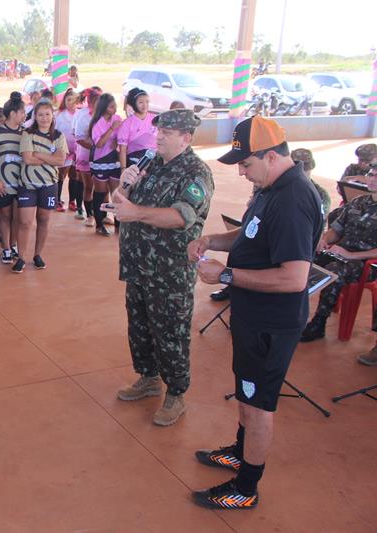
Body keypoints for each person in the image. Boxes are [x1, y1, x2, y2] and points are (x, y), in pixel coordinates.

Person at [189, 115, 322, 509]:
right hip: (253, 315)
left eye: (246, 164)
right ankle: (240, 450)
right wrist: (213, 239)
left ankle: (246, 487)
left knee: (259, 403)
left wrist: (226, 274)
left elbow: (294, 278)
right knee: (246, 393)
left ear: (269, 156)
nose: (243, 173)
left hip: (271, 322)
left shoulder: (294, 198)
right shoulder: (271, 186)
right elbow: (249, 233)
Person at [111, 109, 213, 426]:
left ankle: (175, 394)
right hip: (139, 265)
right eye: (159, 131)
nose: (160, 137)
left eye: (167, 133)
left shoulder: (196, 174)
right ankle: (149, 377)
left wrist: (135, 213)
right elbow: (120, 203)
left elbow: (182, 217)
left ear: (186, 137)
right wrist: (124, 186)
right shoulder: (150, 163)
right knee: (139, 327)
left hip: (169, 272)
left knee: (170, 333)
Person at [298, 162, 377, 343]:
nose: (372, 180)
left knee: (333, 271)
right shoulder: (359, 201)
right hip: (341, 252)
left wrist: (351, 255)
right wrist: (325, 240)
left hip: (366, 262)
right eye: (371, 175)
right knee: (303, 257)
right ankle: (290, 310)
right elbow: (337, 229)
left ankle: (319, 323)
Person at [15, 99, 67, 273]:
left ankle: (37, 255)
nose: (44, 118)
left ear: (52, 116)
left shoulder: (59, 136)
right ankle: (21, 257)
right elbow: (27, 159)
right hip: (27, 184)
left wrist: (38, 153)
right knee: (25, 222)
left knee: (44, 220)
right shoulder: (27, 134)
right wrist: (48, 158)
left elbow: (61, 160)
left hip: (49, 185)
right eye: (40, 114)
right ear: (35, 116)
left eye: (47, 114)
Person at [0, 96, 26, 264]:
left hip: (21, 184)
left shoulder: (25, 133)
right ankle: (6, 248)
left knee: (17, 216)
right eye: (22, 112)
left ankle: (14, 245)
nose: (24, 115)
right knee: (5, 214)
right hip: (2, 185)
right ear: (13, 113)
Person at [88, 92, 123, 236]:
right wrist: (112, 129)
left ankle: (118, 224)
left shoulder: (117, 118)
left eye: (115, 106)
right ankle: (99, 223)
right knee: (100, 193)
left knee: (116, 193)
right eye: (111, 106)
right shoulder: (97, 123)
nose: (114, 109)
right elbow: (100, 144)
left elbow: (120, 139)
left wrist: (117, 138)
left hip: (114, 160)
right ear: (103, 108)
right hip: (100, 161)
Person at [73, 88, 100, 223]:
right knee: (88, 186)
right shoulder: (83, 116)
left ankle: (99, 214)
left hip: (101, 157)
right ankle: (89, 215)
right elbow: (78, 138)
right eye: (94, 102)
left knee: (100, 188)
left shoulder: (104, 117)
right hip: (85, 155)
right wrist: (95, 148)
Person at [117, 87, 157, 170]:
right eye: (140, 102)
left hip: (155, 161)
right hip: (135, 164)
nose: (145, 105)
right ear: (133, 104)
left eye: (147, 101)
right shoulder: (126, 124)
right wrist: (123, 169)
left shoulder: (155, 119)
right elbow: (123, 150)